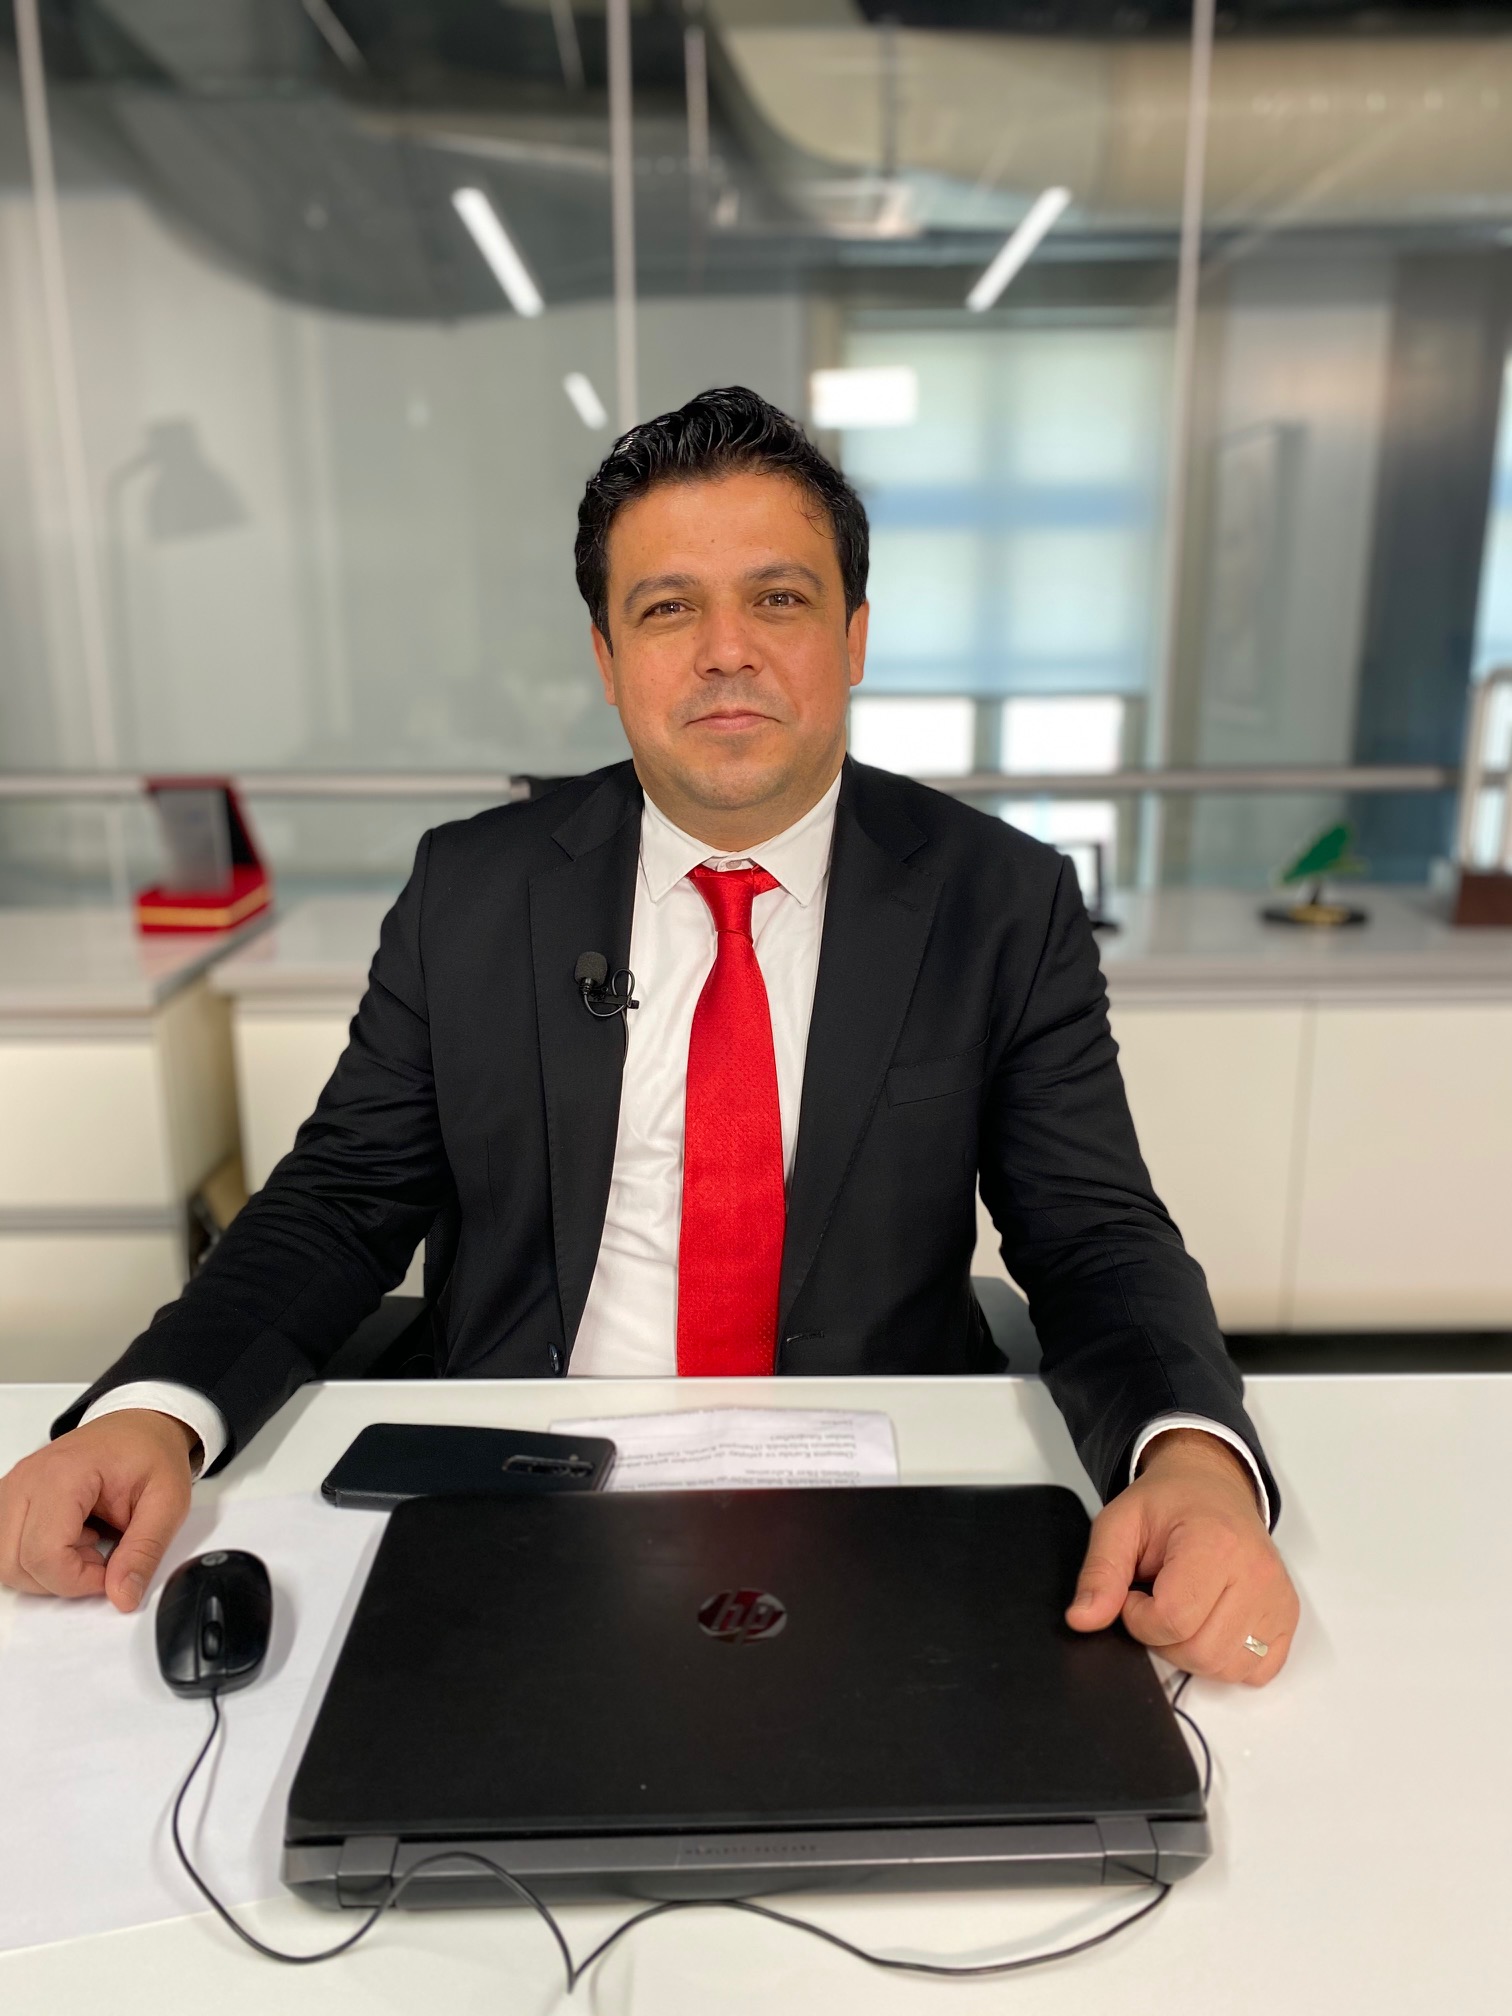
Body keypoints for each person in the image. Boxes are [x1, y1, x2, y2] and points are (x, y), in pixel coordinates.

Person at [0, 387, 1298, 1685]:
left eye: (779, 598)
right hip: (517, 1484)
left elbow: (1092, 1231)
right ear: (608, 658)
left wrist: (1193, 1460)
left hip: (876, 1483)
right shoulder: (473, 890)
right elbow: (337, 1202)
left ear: (853, 636)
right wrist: (153, 1411)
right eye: (669, 608)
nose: (727, 651)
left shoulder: (999, 900)